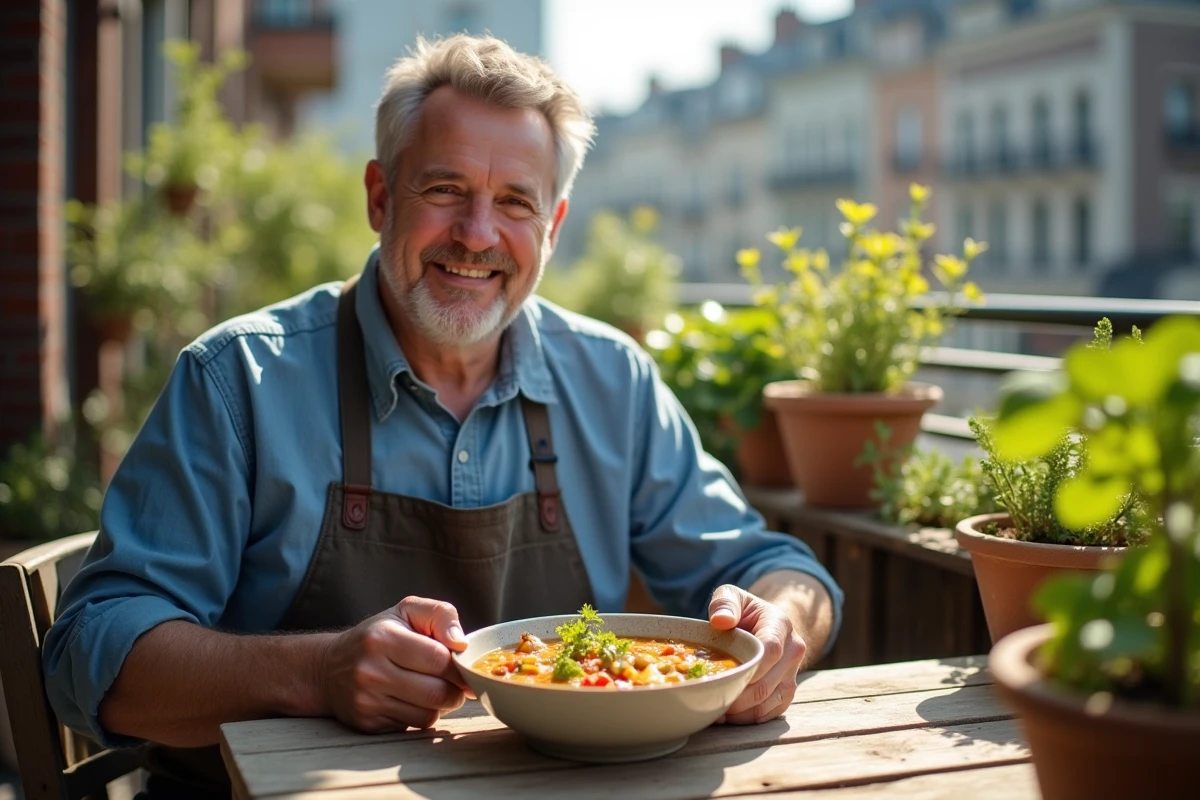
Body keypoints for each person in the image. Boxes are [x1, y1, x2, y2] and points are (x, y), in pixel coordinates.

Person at [42, 34, 843, 796]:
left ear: (553, 228)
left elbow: (775, 568)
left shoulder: (612, 380)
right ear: (380, 196)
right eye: (445, 189)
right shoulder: (239, 380)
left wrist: (777, 625)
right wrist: (313, 671)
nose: (477, 234)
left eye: (515, 202)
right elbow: (90, 655)